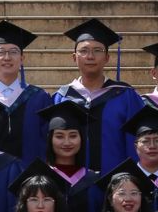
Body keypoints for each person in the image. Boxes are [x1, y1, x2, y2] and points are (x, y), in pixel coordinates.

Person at [53, 19, 143, 175]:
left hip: (117, 182)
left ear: (107, 57)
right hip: (71, 183)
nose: (90, 56)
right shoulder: (61, 97)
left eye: (97, 50)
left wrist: (131, 179)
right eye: (84, 51)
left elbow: (136, 142)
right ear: (74, 57)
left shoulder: (125, 96)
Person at [0, 20, 51, 164]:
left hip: (31, 175)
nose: (7, 57)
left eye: (13, 52)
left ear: (22, 59)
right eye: (1, 52)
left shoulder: (39, 98)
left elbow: (48, 143)